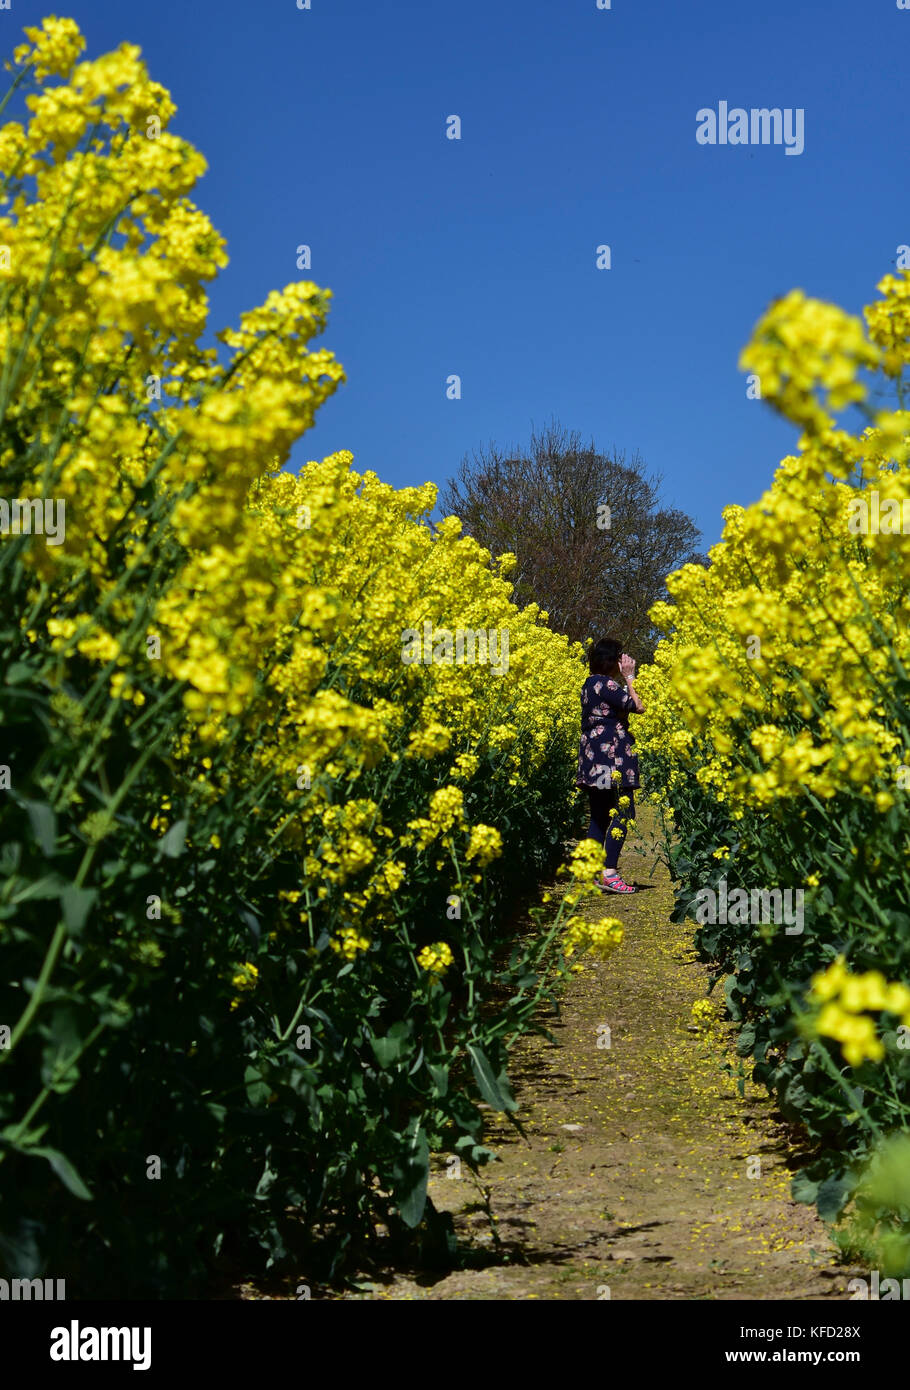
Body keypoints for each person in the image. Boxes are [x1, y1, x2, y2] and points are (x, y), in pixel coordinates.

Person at [576, 637, 644, 893]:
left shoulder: (589, 684)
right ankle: (610, 873)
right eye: (619, 658)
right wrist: (630, 677)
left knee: (599, 815)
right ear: (610, 661)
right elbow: (637, 706)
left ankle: (593, 872)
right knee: (623, 812)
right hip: (611, 756)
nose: (622, 662)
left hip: (594, 757)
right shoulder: (606, 684)